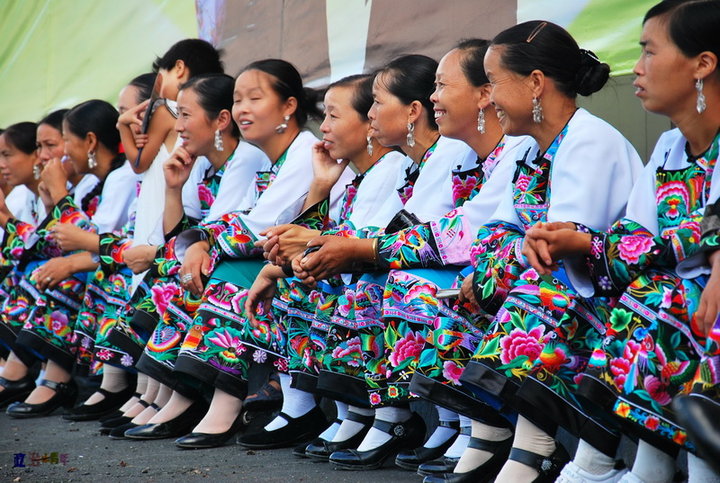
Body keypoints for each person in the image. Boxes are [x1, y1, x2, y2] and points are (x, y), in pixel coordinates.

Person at [424, 20, 644, 482]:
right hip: (562, 283)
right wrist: (494, 268)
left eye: (493, 83)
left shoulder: (590, 140)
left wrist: (502, 264)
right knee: (457, 295)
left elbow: (555, 245)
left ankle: (570, 454)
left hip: (608, 293)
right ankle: (499, 438)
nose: (489, 96)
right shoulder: (528, 149)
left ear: (536, 83)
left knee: (537, 292)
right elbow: (498, 234)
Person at [520, 2, 720, 482]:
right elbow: (638, 235)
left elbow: (688, 235)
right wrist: (579, 243)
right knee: (647, 293)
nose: (638, 68)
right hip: (679, 296)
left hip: (695, 303)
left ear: (703, 64)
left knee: (661, 298)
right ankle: (639, 468)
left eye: (650, 52)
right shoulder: (671, 147)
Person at [121, 59, 351, 443]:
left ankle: (224, 403)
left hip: (313, 261)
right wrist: (196, 239)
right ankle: (177, 396)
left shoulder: (299, 153)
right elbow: (234, 220)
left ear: (289, 106)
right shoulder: (270, 159)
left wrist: (200, 243)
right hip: (290, 259)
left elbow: (257, 230)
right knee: (196, 270)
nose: (242, 109)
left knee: (226, 272)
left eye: (253, 98)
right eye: (238, 99)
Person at [241, 72, 410, 452]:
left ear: (369, 122)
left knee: (311, 280)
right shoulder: (353, 176)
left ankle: (382, 414)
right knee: (293, 278)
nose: (325, 128)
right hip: (353, 269)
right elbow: (301, 241)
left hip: (376, 275)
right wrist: (320, 185)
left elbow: (350, 244)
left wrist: (279, 266)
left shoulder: (390, 169)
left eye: (334, 116)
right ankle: (320, 408)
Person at [1, 100, 139, 418]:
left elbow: (90, 242)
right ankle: (27, 372)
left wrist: (57, 197)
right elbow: (60, 242)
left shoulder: (121, 177)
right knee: (40, 270)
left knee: (65, 274)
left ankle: (57, 378)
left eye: (56, 143)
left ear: (89, 141)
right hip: (109, 261)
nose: (51, 154)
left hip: (123, 266)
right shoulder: (92, 182)